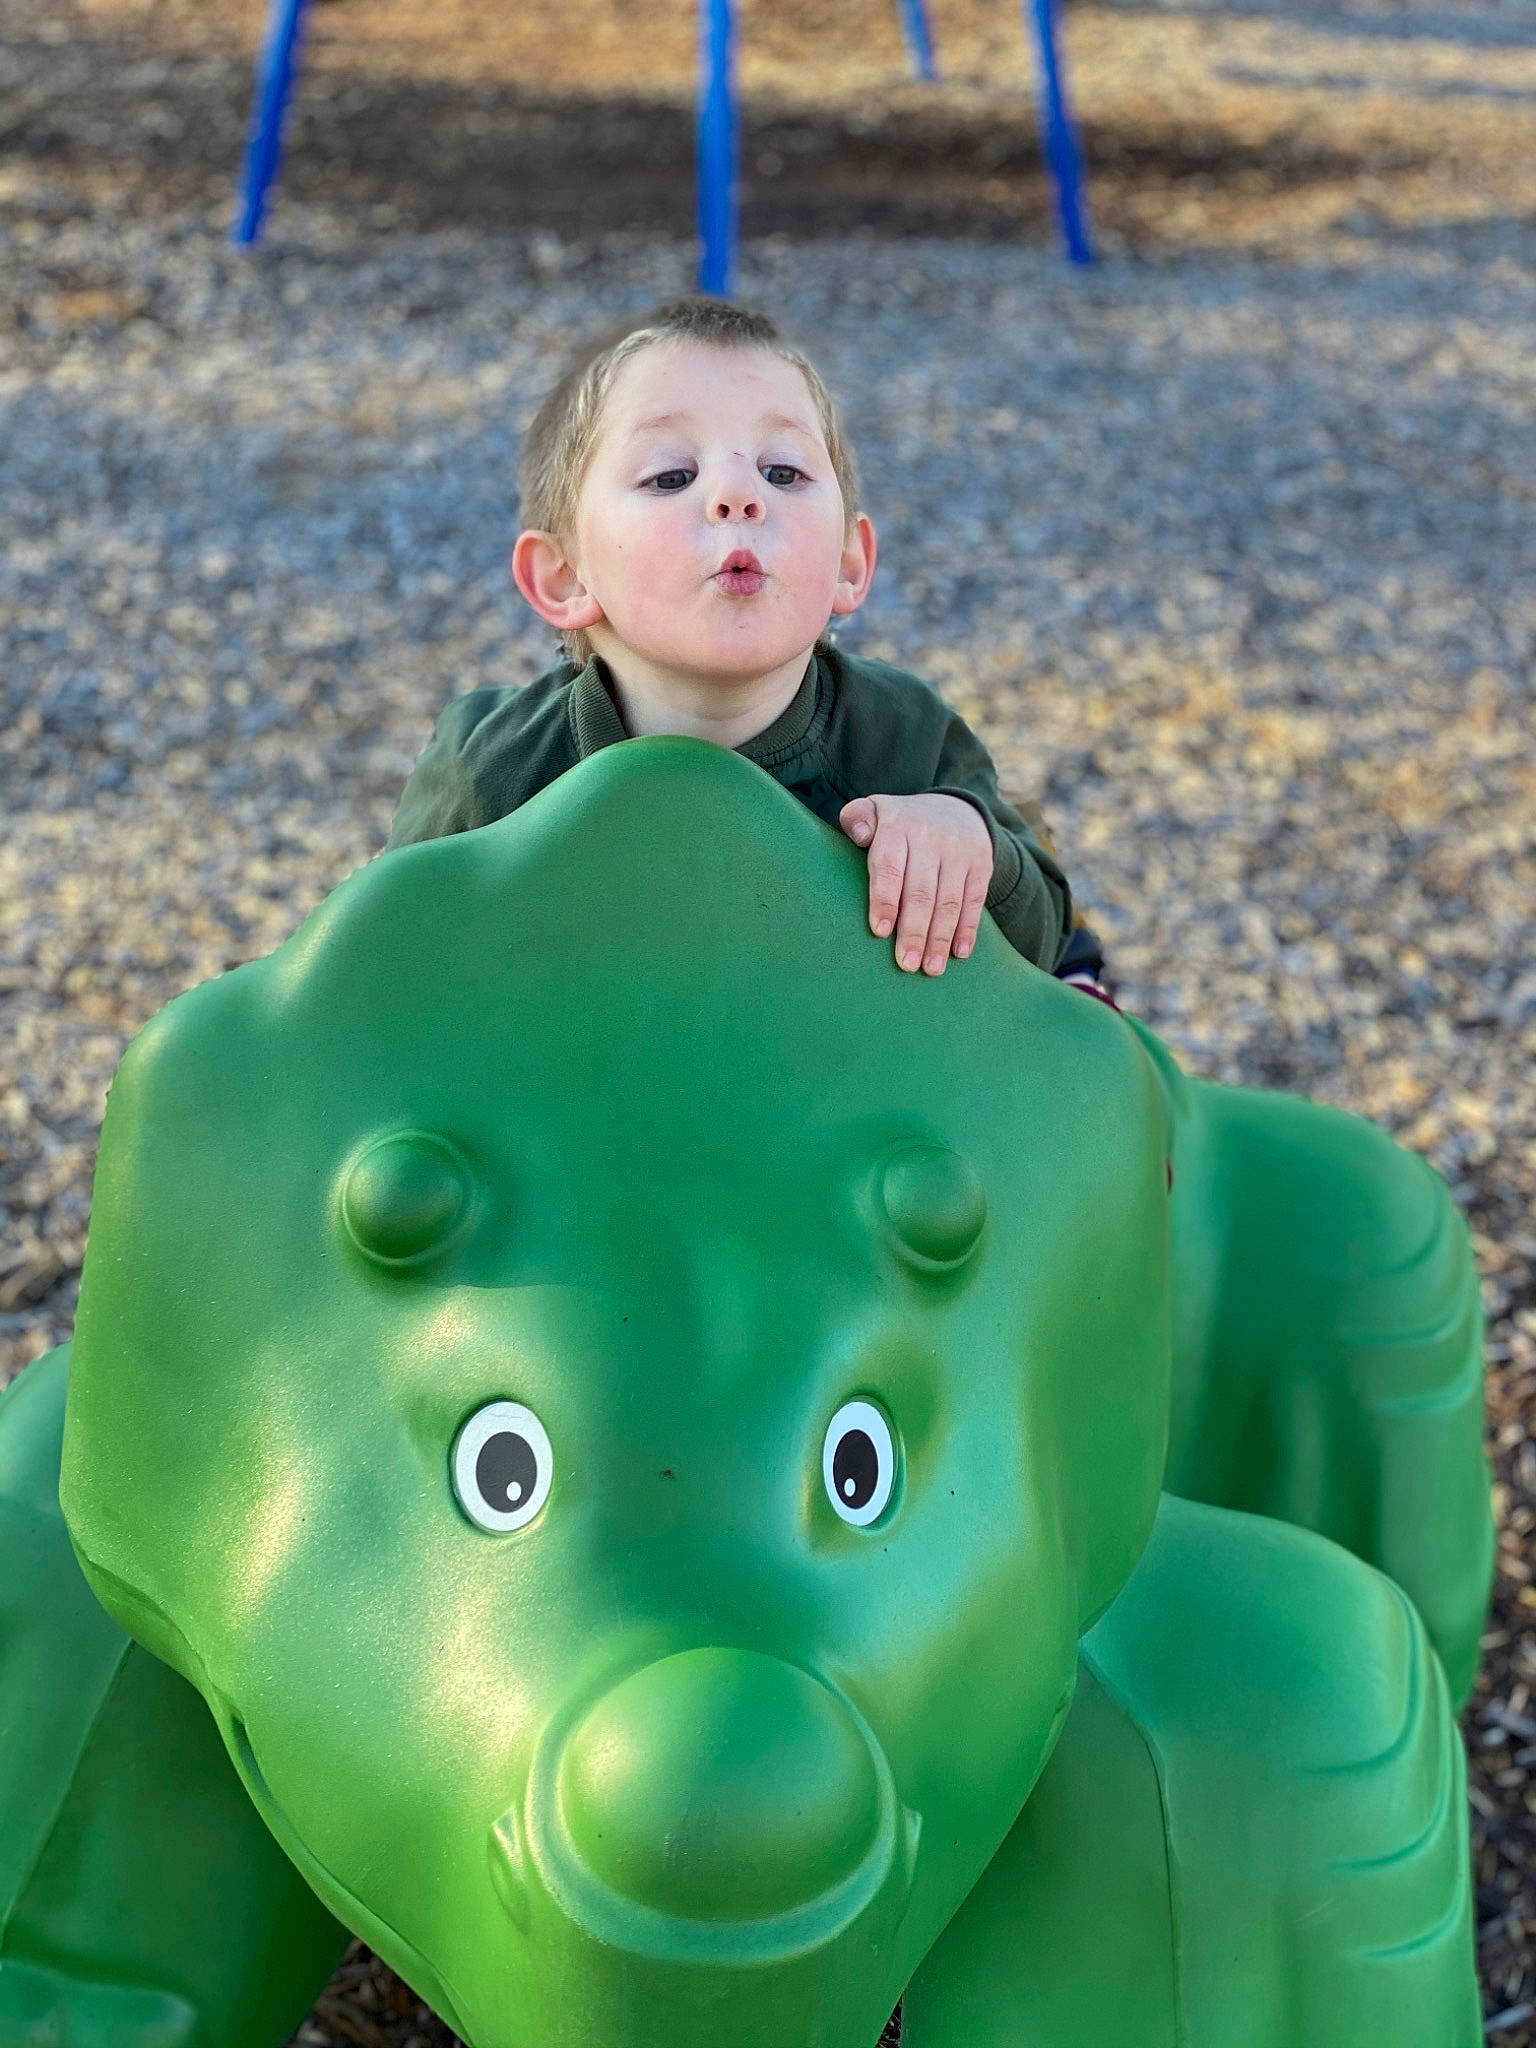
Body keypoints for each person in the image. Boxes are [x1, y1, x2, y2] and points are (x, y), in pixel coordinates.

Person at [387, 296, 1110, 994]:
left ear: (848, 563)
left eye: (782, 472)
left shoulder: (904, 739)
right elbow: (378, 970)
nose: (739, 496)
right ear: (565, 575)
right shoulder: (492, 769)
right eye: (672, 476)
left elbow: (1048, 944)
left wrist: (969, 845)